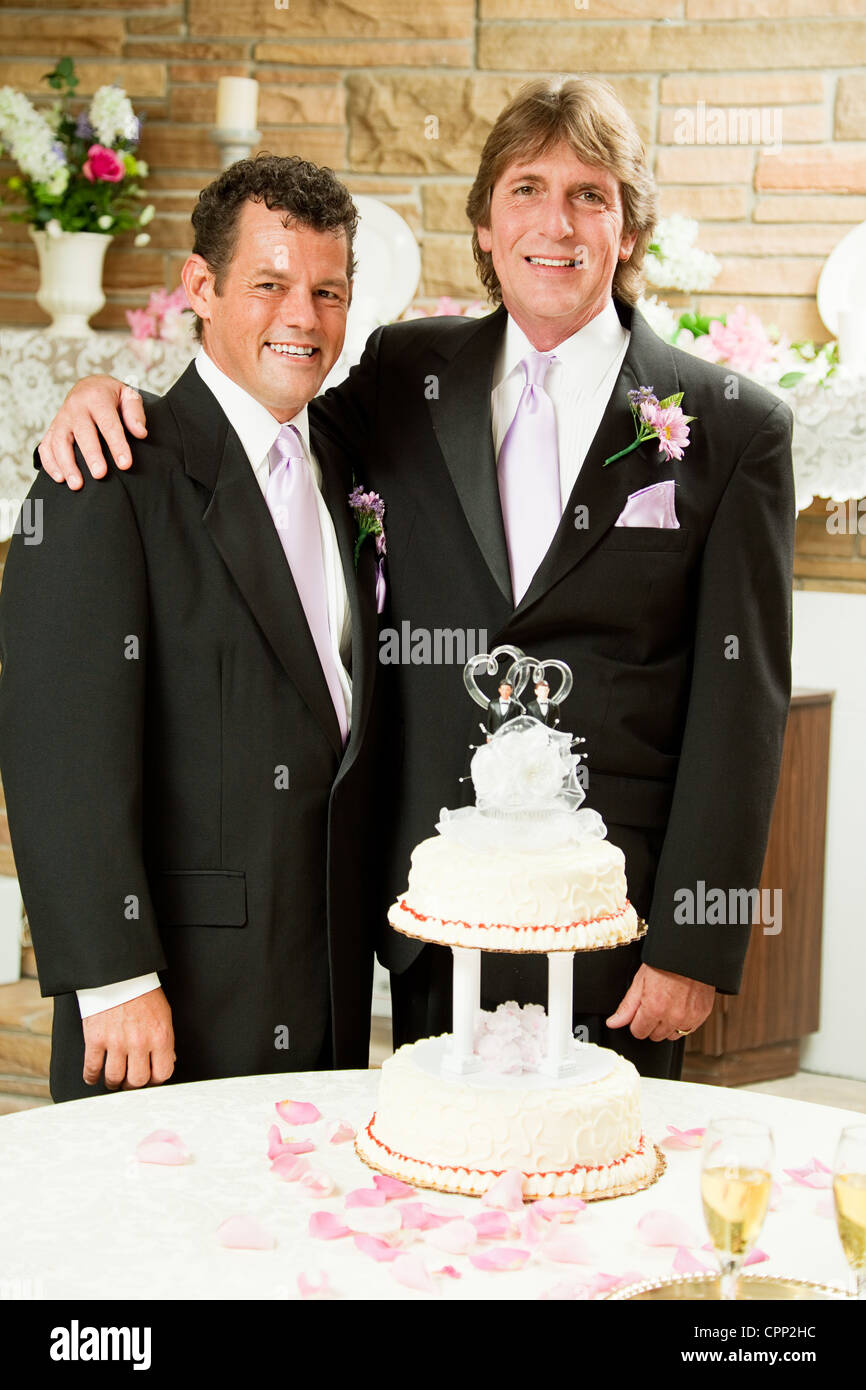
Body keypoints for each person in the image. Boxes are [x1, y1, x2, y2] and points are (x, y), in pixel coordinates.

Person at [34, 76, 795, 1080]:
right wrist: (103, 396)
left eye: (588, 194)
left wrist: (693, 942)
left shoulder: (731, 427)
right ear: (484, 225)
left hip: (620, 914)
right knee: (424, 1192)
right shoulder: (402, 375)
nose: (553, 223)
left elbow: (740, 711)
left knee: (595, 1204)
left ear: (629, 227)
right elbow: (249, 412)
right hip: (424, 907)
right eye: (525, 189)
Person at [0, 155, 384, 1101]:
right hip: (168, 1001)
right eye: (270, 284)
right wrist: (114, 980)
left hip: (327, 981)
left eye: (327, 291)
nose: (303, 316)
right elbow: (56, 748)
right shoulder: (106, 472)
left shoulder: (350, 458)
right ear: (201, 288)